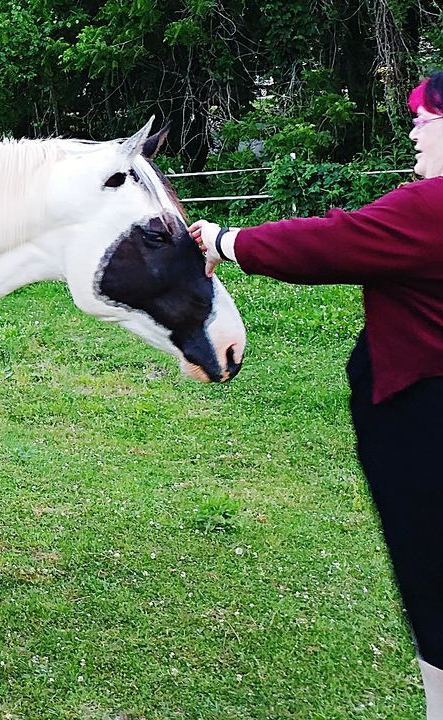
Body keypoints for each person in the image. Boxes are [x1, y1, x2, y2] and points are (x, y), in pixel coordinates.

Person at [190, 71, 443, 718]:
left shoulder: (431, 208)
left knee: (432, 579)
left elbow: (334, 241)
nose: (414, 126)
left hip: (424, 428)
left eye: (426, 114)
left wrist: (224, 241)